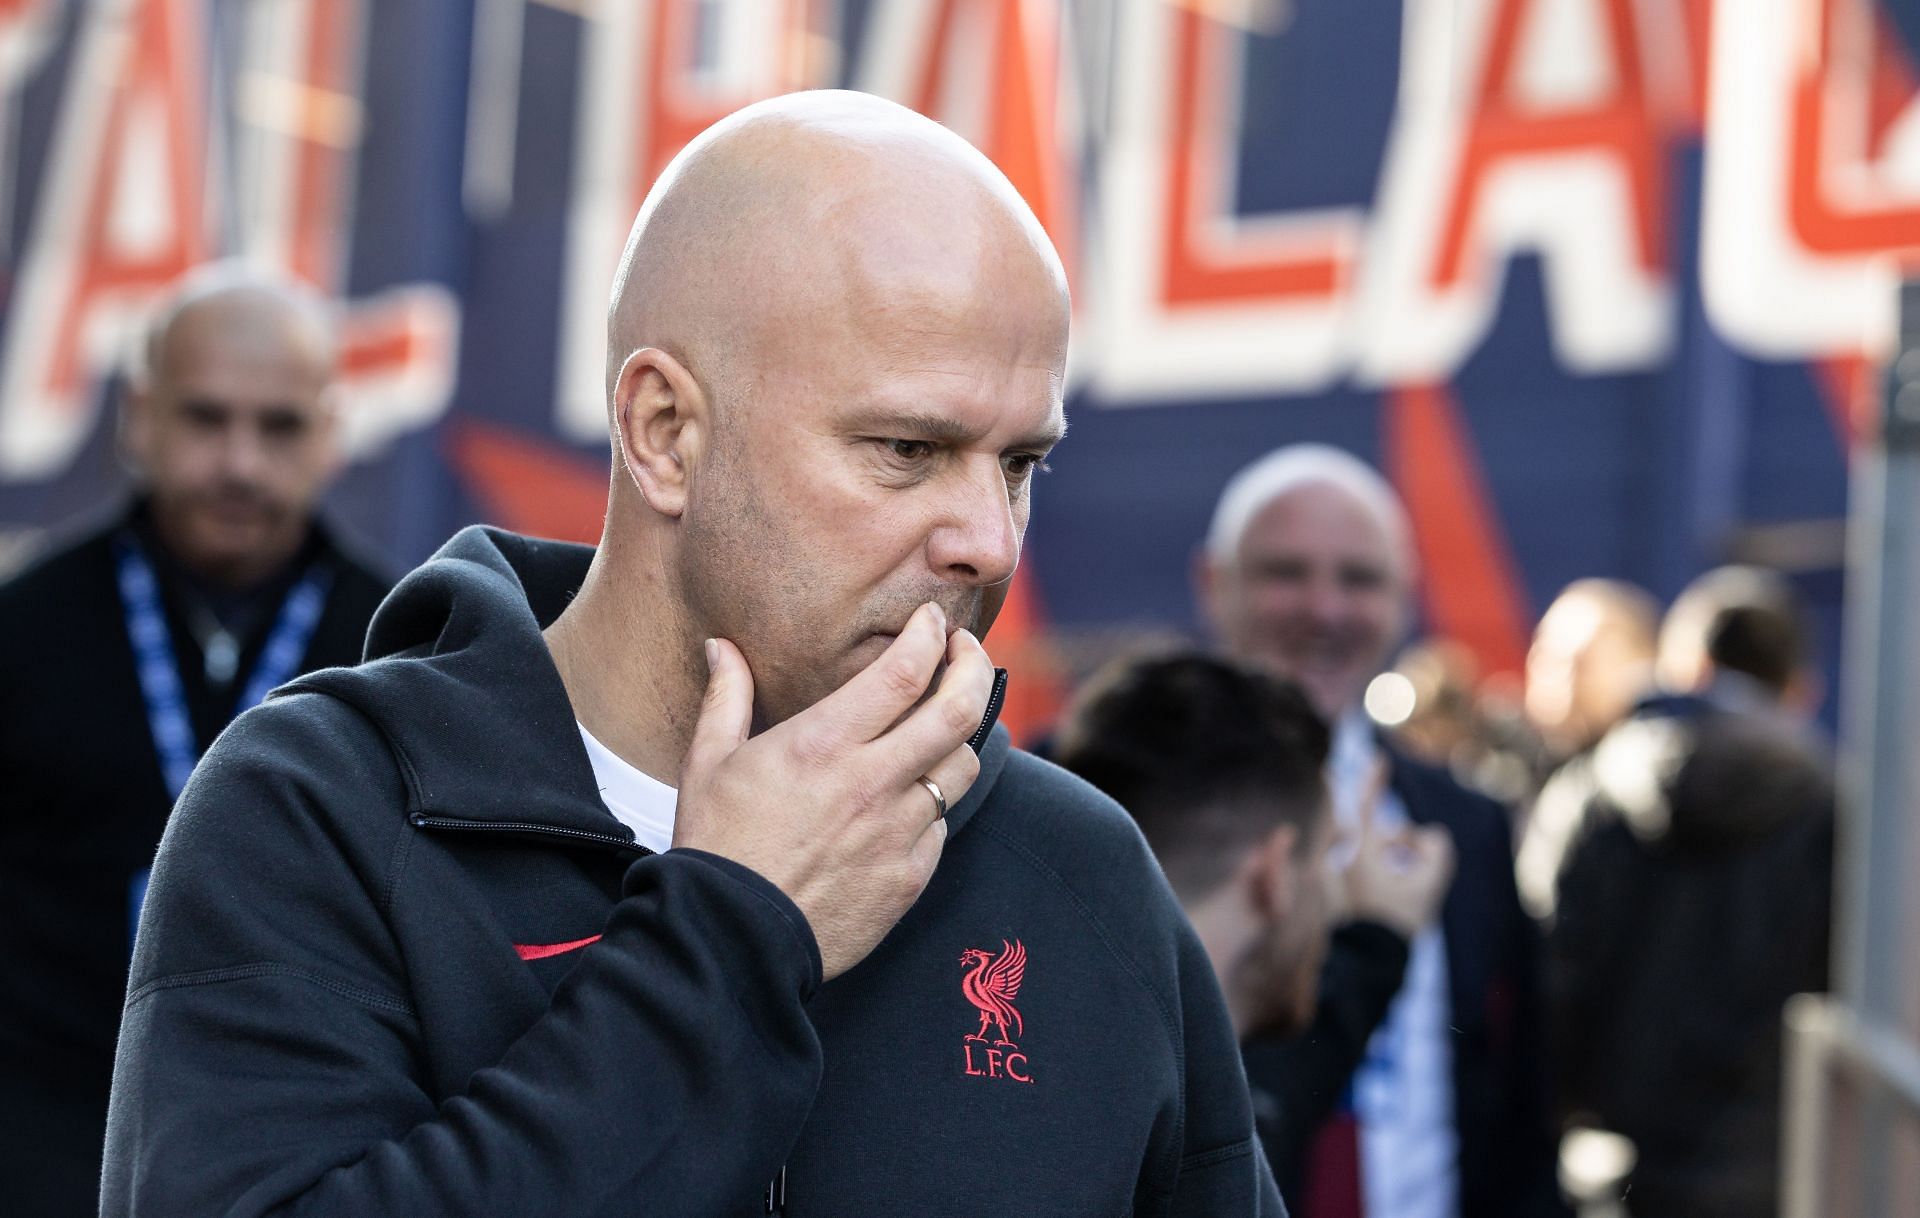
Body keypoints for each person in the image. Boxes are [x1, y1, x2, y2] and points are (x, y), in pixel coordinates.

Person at [101, 92, 1283, 1216]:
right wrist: (732, 933)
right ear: (664, 433)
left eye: (1021, 464)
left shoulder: (1078, 872)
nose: (986, 540)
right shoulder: (325, 814)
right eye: (907, 450)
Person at [0, 265, 390, 1217]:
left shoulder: (399, 648)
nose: (241, 463)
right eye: (206, 419)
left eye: (280, 426)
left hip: (310, 1152)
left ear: (332, 432)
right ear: (140, 417)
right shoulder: (26, 631)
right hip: (44, 1141)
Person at [1196, 443, 1564, 1218]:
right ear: (1213, 585)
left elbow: (1520, 1104)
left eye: (1359, 579)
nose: (1324, 610)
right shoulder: (1114, 799)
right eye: (1286, 573)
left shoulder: (1466, 820)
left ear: (1404, 597)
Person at [1053, 652, 1453, 1210]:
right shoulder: (1199, 1157)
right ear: (1274, 875)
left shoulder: (1019, 1075)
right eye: (1328, 856)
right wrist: (1377, 938)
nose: (1335, 893)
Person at [1544, 565, 1833, 1217]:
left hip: (1612, 1179)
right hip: (1778, 1178)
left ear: (1685, 669)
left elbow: (1547, 987)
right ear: (1800, 689)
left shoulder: (1588, 796)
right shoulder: (1835, 807)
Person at [1515, 579, 1659, 919]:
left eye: (1581, 661)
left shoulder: (1655, 796)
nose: (1559, 677)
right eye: (1546, 655)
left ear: (1644, 664)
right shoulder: (1500, 782)